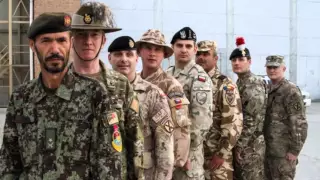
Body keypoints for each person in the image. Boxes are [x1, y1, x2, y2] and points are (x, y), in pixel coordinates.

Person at [0, 12, 121, 179]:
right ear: (32, 45)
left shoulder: (95, 93)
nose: (55, 49)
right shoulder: (21, 98)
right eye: (46, 41)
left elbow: (109, 164)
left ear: (71, 43)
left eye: (61, 40)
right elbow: (9, 163)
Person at [69, 2, 144, 179]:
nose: (88, 41)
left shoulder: (120, 85)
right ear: (72, 39)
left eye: (94, 35)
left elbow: (135, 141)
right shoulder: (59, 85)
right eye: (81, 34)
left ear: (103, 41)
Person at [108, 36, 175, 180]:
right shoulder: (101, 91)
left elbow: (165, 149)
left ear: (136, 59)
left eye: (129, 54)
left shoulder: (153, 94)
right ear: (109, 58)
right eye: (118, 54)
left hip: (143, 174)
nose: (124, 59)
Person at [136, 29, 191, 170]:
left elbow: (180, 126)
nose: (152, 53)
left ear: (164, 55)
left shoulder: (171, 86)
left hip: (158, 160)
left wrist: (178, 160)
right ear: (139, 51)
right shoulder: (133, 81)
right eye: (148, 48)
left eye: (157, 49)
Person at [167, 27, 213, 180]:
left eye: (188, 46)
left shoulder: (199, 77)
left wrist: (183, 151)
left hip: (188, 157)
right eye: (179, 45)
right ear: (173, 47)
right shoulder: (168, 74)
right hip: (167, 153)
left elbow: (201, 123)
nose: (184, 50)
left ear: (195, 49)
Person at [196, 40, 243, 180]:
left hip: (216, 159)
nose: (201, 57)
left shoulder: (225, 85)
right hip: (196, 156)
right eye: (198, 54)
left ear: (215, 58)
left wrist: (221, 154)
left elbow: (234, 123)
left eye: (206, 54)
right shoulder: (193, 82)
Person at [264, 55, 308, 180]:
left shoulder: (290, 90)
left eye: (275, 67)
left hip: (284, 154)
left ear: (283, 68)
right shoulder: (268, 89)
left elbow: (300, 123)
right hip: (269, 151)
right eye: (269, 67)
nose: (272, 70)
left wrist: (294, 150)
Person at [230, 37, 267, 180]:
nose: (237, 63)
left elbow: (252, 119)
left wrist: (239, 145)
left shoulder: (253, 84)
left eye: (241, 59)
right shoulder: (241, 81)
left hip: (250, 146)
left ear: (249, 62)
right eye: (234, 60)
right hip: (245, 145)